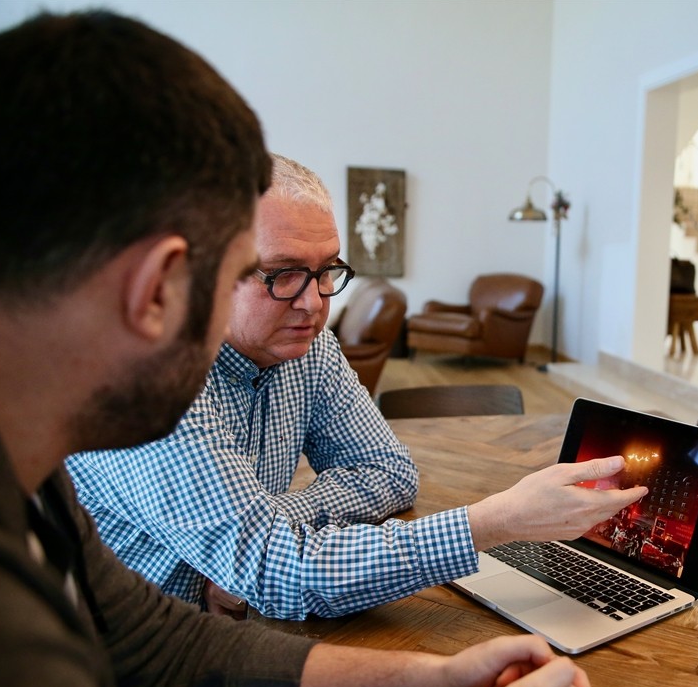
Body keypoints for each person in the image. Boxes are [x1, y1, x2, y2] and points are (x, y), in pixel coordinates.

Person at [0, 11, 643, 687]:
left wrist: (429, 684)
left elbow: (157, 647)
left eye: (325, 275)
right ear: (156, 290)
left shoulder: (21, 466)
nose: (308, 306)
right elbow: (266, 577)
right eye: (240, 278)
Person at [66, 154, 645, 622]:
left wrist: (269, 522)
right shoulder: (150, 375)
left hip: (218, 623)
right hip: (99, 659)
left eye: (327, 272)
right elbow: (280, 576)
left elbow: (389, 472)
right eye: (283, 274)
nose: (315, 302)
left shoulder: (304, 343)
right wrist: (495, 522)